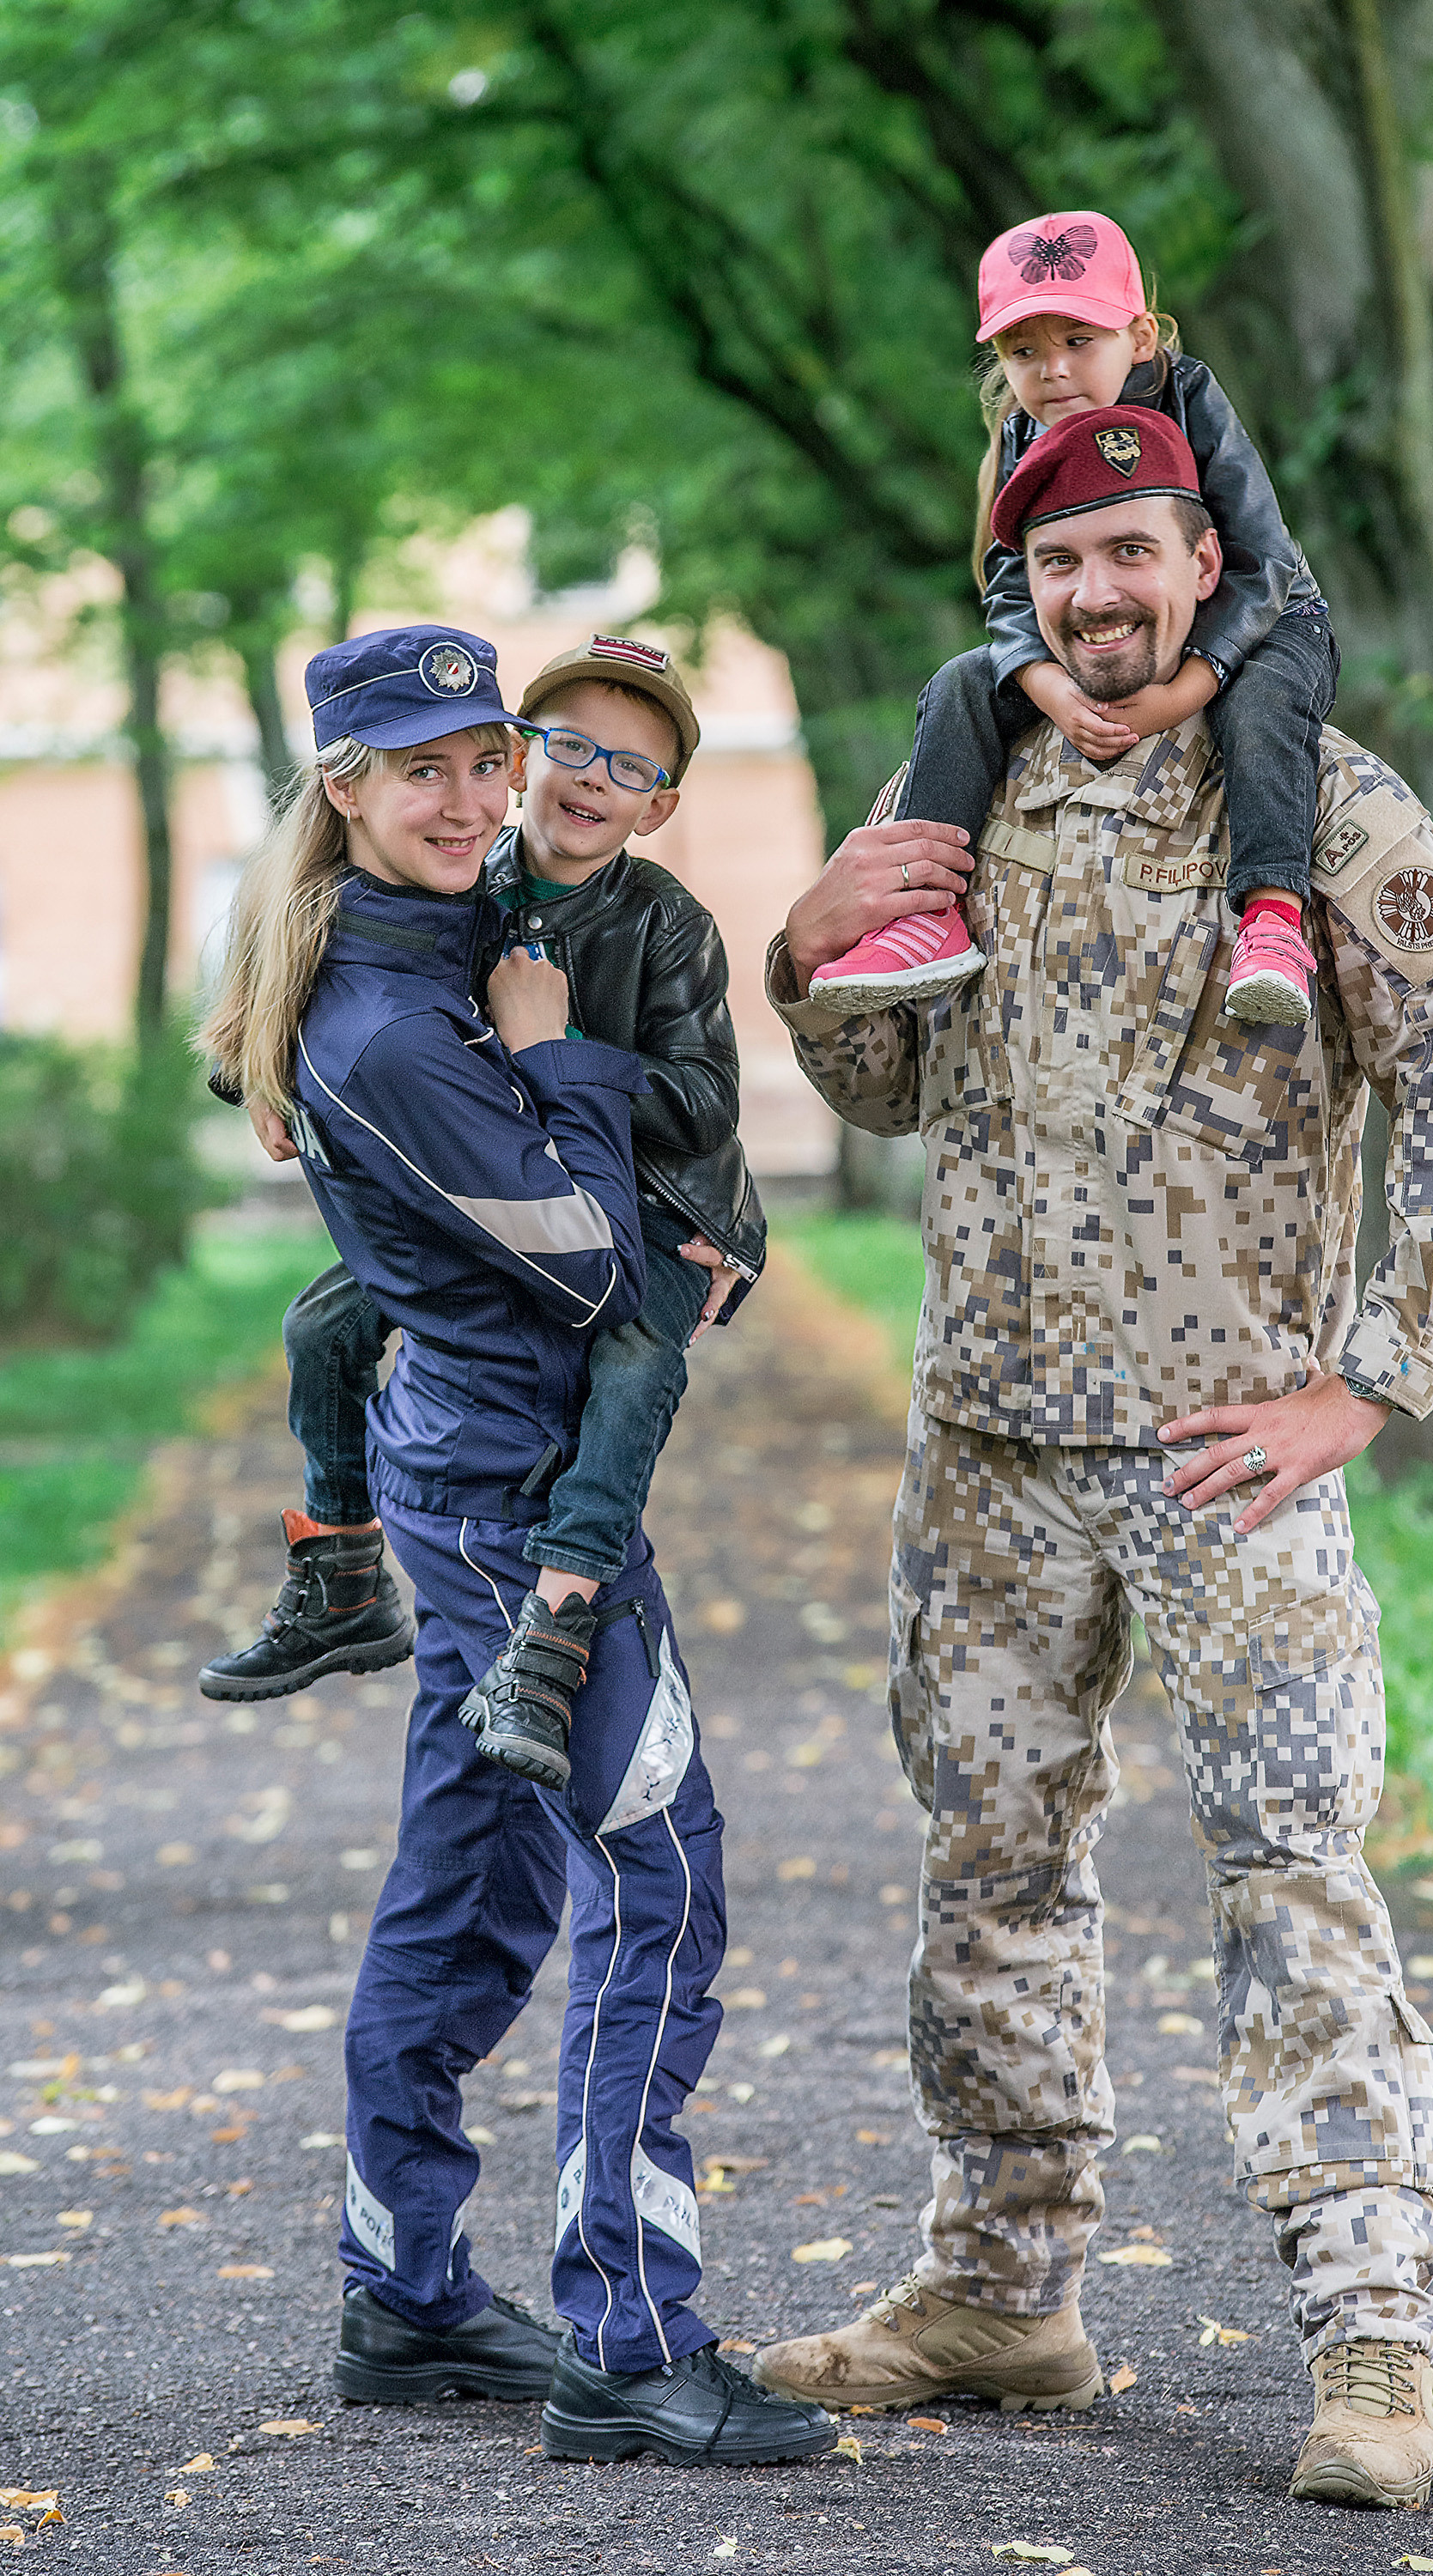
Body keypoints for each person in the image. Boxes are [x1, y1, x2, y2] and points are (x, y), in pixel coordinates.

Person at [751, 411, 1433, 2509]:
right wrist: (800, 946)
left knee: (1292, 1869)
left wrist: (1366, 1382)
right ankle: (997, 2289)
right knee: (989, 1864)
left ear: (1201, 563)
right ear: (1022, 586)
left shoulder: (1317, 800)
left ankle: (1368, 2331)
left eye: (1132, 549)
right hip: (988, 1445)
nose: (1096, 592)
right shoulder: (962, 782)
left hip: (1224, 1453)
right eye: (1060, 561)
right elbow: (886, 1080)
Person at [198, 624, 832, 2469]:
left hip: (467, 1472)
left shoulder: (430, 940)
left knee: (470, 1880)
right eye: (427, 772)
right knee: (661, 1876)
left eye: (489, 757)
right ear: (345, 790)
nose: (475, 798)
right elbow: (595, 1267)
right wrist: (566, 1066)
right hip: (514, 1502)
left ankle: (404, 2293)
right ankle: (627, 2340)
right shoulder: (399, 1022)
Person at [199, 633, 765, 1811]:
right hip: (517, 1194)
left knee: (634, 1367)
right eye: (570, 747)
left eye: (631, 767)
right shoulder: (476, 875)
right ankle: (341, 1567)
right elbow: (338, 953)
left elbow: (706, 1103)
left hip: (655, 1213)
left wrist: (558, 1054)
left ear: (660, 806)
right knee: (323, 1325)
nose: (593, 778)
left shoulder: (664, 923)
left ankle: (558, 1625)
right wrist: (254, 1068)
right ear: (530, 760)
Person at [807, 208, 1331, 1030]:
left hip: (1260, 618)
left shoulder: (1192, 399)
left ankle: (1272, 917)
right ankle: (928, 912)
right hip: (1097, 643)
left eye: (1079, 340)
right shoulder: (1024, 434)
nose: (1053, 370)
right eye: (1023, 352)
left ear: (1141, 336)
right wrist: (1049, 688)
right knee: (959, 686)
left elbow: (1258, 560)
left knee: (1266, 701)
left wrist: (1188, 689)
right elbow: (1010, 586)